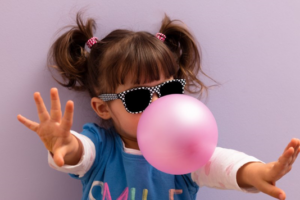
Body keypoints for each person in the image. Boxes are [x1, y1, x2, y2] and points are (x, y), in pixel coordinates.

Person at [17, 13, 299, 200]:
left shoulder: (185, 151)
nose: (156, 104)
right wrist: (63, 144)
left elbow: (221, 163)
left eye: (168, 90)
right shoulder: (101, 147)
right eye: (138, 97)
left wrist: (259, 173)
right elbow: (80, 153)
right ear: (103, 108)